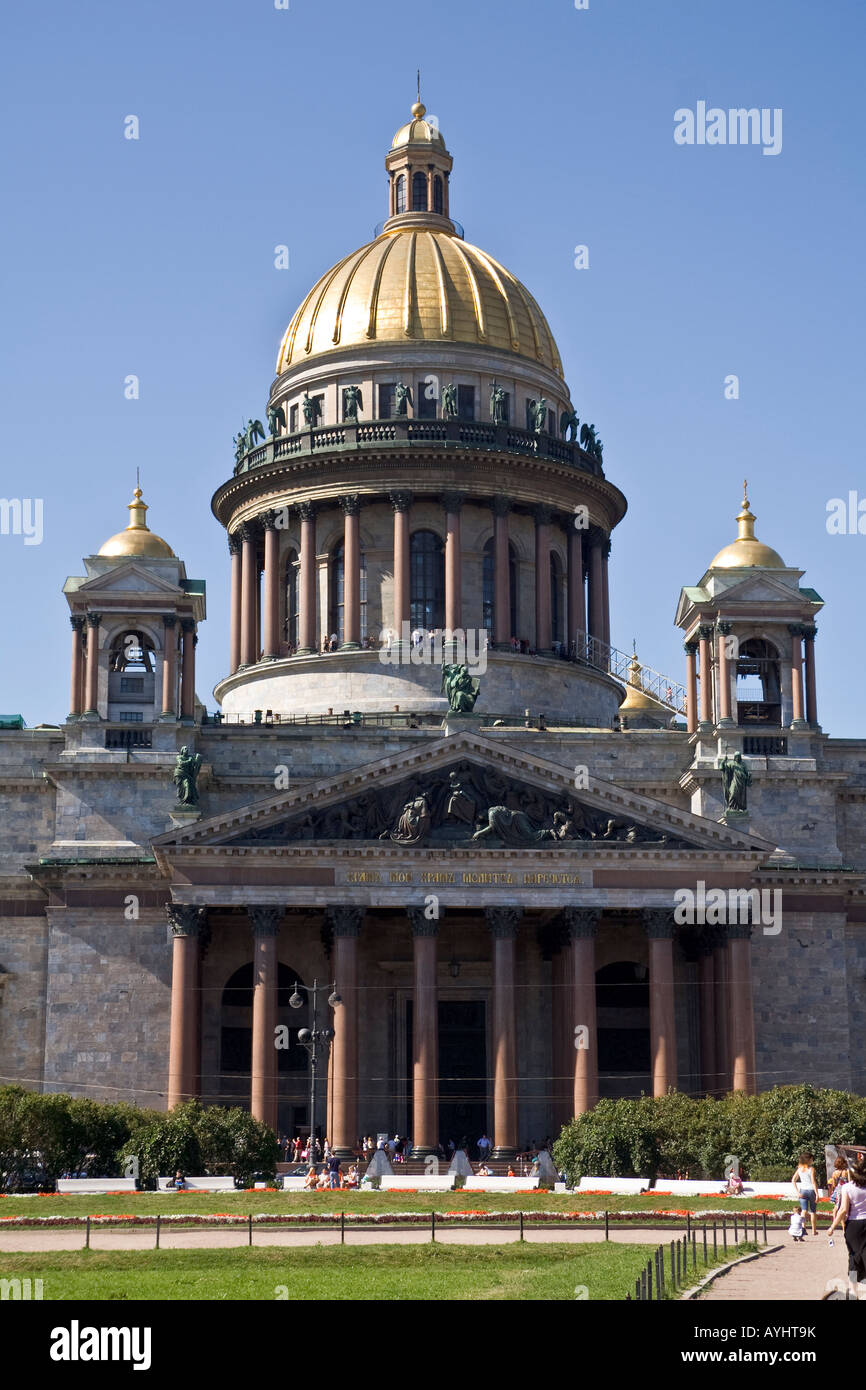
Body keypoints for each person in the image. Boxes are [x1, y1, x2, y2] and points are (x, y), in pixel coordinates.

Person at [827, 1159, 866, 1288]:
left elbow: (843, 1209)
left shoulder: (847, 1188)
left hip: (853, 1226)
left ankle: (853, 1289)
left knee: (853, 1256)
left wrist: (833, 1226)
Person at [792, 1153, 819, 1237]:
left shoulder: (799, 1169)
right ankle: (814, 1230)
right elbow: (813, 1182)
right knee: (813, 1211)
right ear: (808, 1160)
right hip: (811, 1190)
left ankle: (803, 1228)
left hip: (802, 1190)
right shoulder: (811, 1169)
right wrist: (817, 1194)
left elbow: (793, 1180)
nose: (812, 1161)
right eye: (811, 1159)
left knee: (804, 1210)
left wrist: (797, 1192)